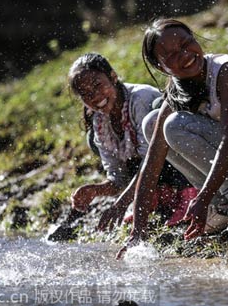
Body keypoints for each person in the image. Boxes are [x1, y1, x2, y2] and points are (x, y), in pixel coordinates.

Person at [104, 19, 228, 259]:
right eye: (170, 55)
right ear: (161, 67)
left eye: (186, 43)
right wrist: (137, 234)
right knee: (153, 125)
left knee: (175, 125)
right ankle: (226, 206)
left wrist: (202, 199)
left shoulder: (226, 71)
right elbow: (151, 163)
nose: (184, 54)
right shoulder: (178, 89)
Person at [67, 53, 194, 230]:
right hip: (146, 167)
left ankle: (188, 193)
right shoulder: (99, 121)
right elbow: (119, 178)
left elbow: (152, 160)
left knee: (157, 121)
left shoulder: (140, 100)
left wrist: (121, 203)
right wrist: (95, 190)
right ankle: (156, 197)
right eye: (86, 94)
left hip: (176, 159)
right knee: (93, 141)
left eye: (98, 86)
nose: (95, 97)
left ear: (113, 77)